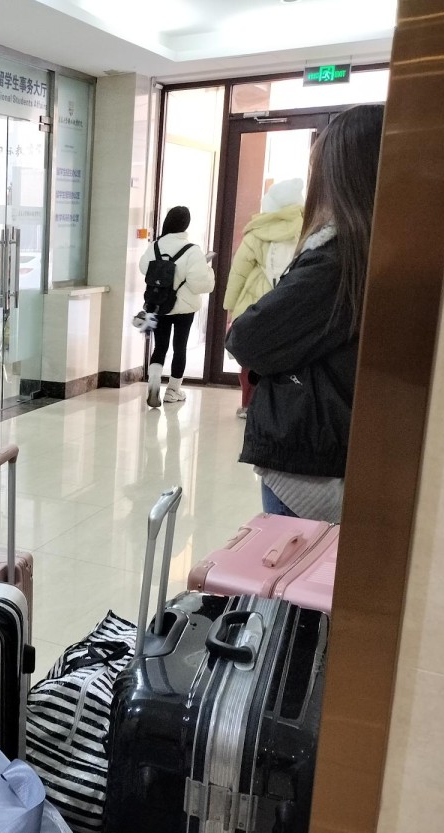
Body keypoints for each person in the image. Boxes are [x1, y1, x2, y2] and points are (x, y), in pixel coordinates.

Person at [227, 104, 386, 523]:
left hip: (311, 458)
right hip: (348, 442)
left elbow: (249, 337)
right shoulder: (385, 250)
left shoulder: (337, 257)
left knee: (294, 560)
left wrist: (234, 310)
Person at [222, 178, 305, 418]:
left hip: (255, 303)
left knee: (250, 357)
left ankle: (248, 405)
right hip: (290, 305)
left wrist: (230, 307)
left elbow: (238, 274)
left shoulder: (257, 233)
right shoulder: (306, 230)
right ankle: (279, 408)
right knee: (284, 359)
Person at [138, 206, 216, 407]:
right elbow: (201, 284)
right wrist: (208, 270)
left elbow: (144, 268)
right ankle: (173, 391)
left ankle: (154, 385)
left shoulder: (155, 246)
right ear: (186, 225)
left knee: (160, 346)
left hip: (159, 304)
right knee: (179, 347)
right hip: (184, 308)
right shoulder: (192, 250)